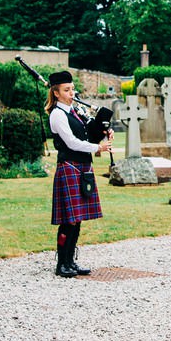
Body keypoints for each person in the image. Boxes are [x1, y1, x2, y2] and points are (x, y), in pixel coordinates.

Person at [45, 71, 111, 278]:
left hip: (82, 168)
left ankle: (71, 261)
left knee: (78, 218)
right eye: (66, 90)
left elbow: (88, 132)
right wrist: (97, 149)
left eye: (72, 88)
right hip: (69, 167)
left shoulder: (76, 111)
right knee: (69, 219)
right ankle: (62, 263)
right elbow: (72, 142)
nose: (71, 93)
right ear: (56, 93)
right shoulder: (57, 114)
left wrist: (103, 131)